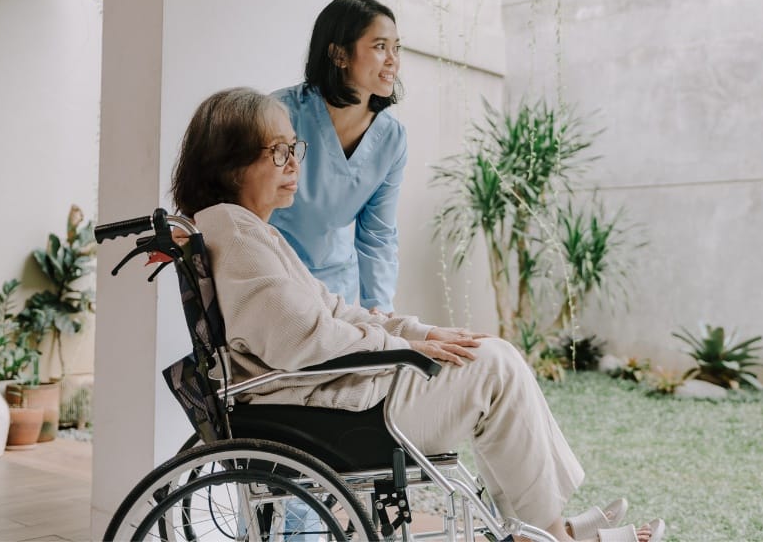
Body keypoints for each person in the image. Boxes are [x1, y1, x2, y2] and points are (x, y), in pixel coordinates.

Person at [170, 87, 666, 542]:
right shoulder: (237, 233)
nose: (292, 163)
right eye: (276, 152)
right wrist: (404, 347)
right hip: (326, 409)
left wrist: (421, 332)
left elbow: (336, 311)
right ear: (230, 165)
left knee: (488, 356)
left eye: (293, 149)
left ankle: (539, 528)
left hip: (328, 395)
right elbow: (302, 338)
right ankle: (549, 534)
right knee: (495, 365)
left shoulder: (245, 230)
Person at [270, 0, 406, 315]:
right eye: (379, 46)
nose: (393, 59)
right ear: (339, 54)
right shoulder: (279, 113)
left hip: (337, 292)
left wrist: (380, 308)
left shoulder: (392, 138)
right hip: (273, 279)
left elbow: (378, 234)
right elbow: (237, 199)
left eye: (396, 48)